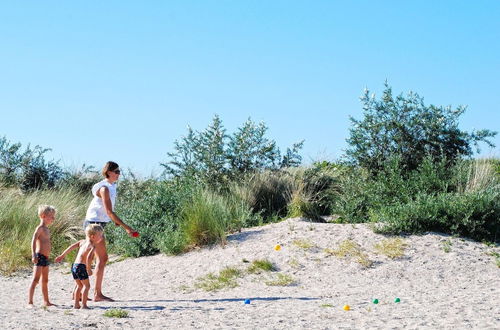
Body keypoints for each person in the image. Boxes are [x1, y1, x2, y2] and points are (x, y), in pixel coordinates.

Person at [83, 161, 136, 302]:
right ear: (109, 172)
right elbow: (109, 211)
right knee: (101, 258)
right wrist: (127, 227)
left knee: (92, 257)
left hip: (97, 222)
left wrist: (113, 220)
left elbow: (107, 212)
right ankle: (97, 294)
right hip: (94, 223)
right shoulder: (104, 188)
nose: (119, 174)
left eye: (119, 171)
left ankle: (82, 291)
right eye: (117, 171)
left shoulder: (111, 187)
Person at [55, 224, 104, 309]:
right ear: (92, 236)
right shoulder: (93, 246)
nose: (101, 237)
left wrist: (62, 256)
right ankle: (84, 305)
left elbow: (71, 247)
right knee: (87, 286)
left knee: (79, 286)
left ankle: (76, 304)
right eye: (100, 235)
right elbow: (88, 258)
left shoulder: (82, 242)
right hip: (81, 267)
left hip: (74, 266)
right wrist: (88, 269)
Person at [28, 205, 56, 307]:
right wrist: (34, 254)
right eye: (51, 217)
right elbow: (33, 240)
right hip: (39, 256)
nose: (53, 219)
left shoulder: (47, 229)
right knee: (35, 279)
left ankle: (46, 301)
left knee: (45, 280)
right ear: (43, 216)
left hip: (46, 258)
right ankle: (30, 302)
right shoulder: (40, 228)